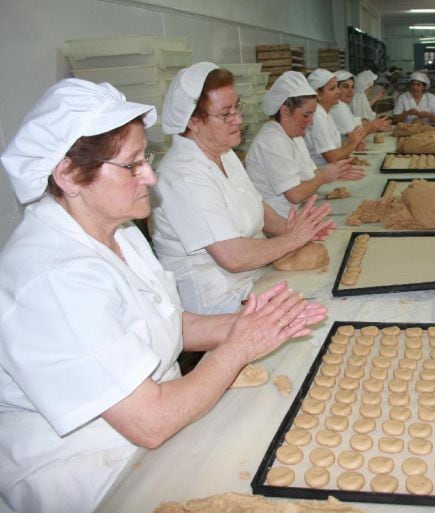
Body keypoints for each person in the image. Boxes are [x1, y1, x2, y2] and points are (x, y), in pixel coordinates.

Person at [0, 78, 326, 513]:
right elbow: (149, 423)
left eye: (145, 159)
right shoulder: (52, 279)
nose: (150, 177)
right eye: (132, 165)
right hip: (92, 474)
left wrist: (256, 324)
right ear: (68, 175)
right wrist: (238, 347)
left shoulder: (117, 230)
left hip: (155, 431)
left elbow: (167, 322)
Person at [151, 63, 334, 315]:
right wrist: (292, 239)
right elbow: (233, 257)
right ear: (193, 121)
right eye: (226, 113)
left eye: (237, 107)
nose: (238, 119)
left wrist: (293, 228)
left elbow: (256, 205)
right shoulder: (181, 175)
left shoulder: (223, 153)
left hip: (255, 278)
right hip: (218, 301)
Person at [246, 71, 364, 217]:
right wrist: (323, 176)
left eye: (312, 115)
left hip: (298, 212)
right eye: (306, 115)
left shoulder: (294, 136)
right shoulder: (272, 141)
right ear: (285, 111)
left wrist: (335, 172)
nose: (311, 122)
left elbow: (309, 175)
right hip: (281, 221)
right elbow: (295, 194)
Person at [304, 68, 367, 167]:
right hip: (321, 173)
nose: (338, 92)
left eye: (337, 87)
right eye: (332, 89)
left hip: (330, 170)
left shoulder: (326, 113)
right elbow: (332, 158)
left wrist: (349, 144)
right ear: (318, 94)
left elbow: (334, 148)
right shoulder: (317, 117)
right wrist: (352, 144)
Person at [330, 70, 390, 138]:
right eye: (345, 87)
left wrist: (371, 124)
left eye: (352, 87)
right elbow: (353, 136)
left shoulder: (342, 105)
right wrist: (369, 128)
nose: (351, 91)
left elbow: (355, 124)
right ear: (336, 89)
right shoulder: (337, 108)